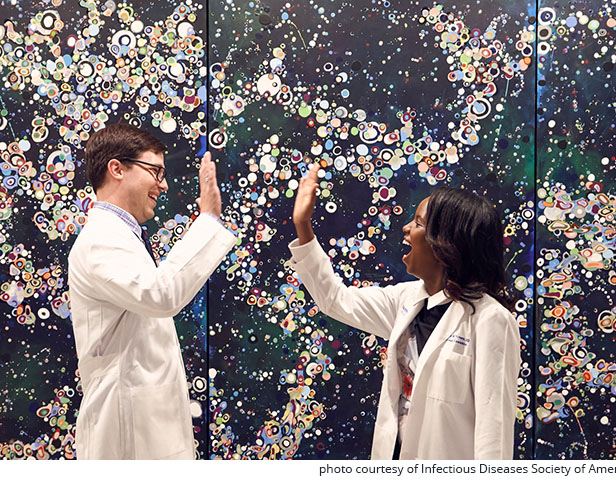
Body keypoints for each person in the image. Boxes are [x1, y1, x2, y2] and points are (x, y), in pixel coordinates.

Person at [289, 164, 520, 460]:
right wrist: (303, 225)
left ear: (446, 244)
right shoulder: (406, 299)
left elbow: (494, 435)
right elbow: (335, 299)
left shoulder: (491, 321)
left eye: (419, 223)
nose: (406, 228)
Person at [68, 124, 236, 460]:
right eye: (155, 171)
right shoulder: (102, 238)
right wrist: (208, 219)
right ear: (117, 168)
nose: (164, 184)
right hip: (126, 430)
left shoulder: (121, 236)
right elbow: (161, 294)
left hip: (142, 420)